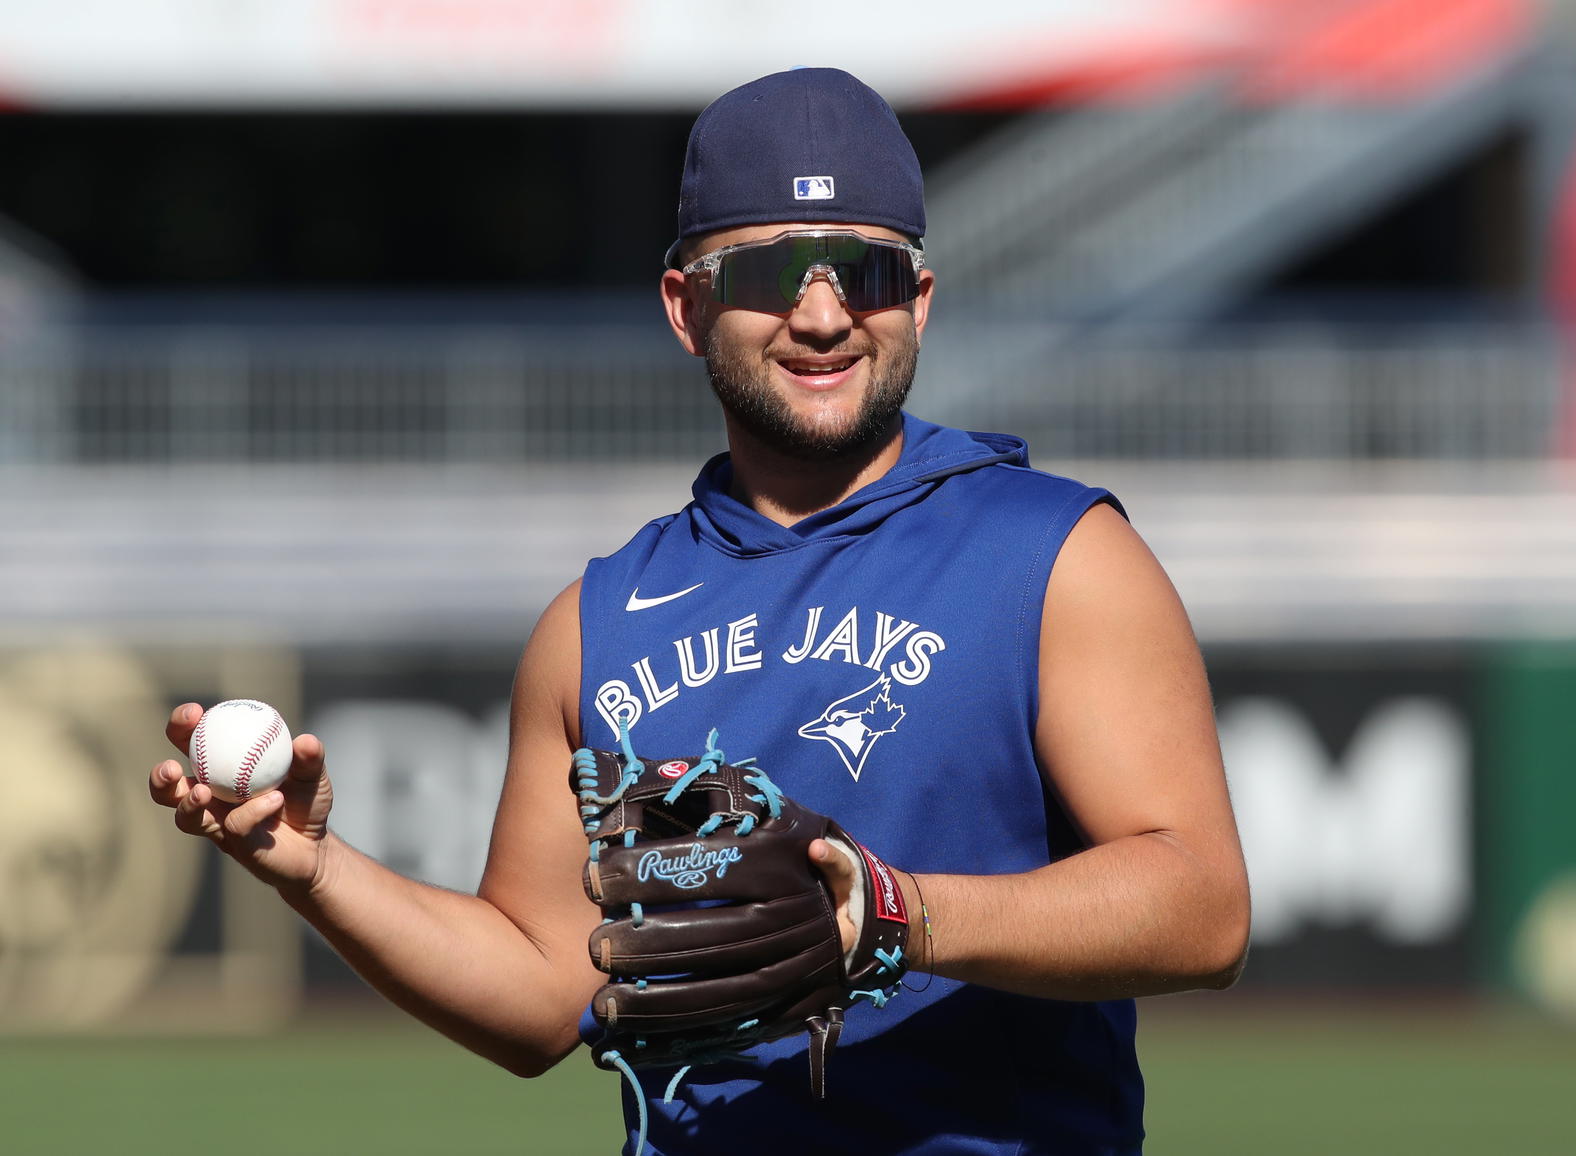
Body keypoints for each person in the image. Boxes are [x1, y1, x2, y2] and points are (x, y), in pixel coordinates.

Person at [150, 68, 1249, 1155]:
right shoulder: (594, 621)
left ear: (917, 299)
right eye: (771, 272)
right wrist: (317, 870)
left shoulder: (1054, 555)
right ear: (687, 306)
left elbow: (1202, 908)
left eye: (863, 270)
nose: (823, 315)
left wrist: (899, 915)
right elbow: (540, 988)